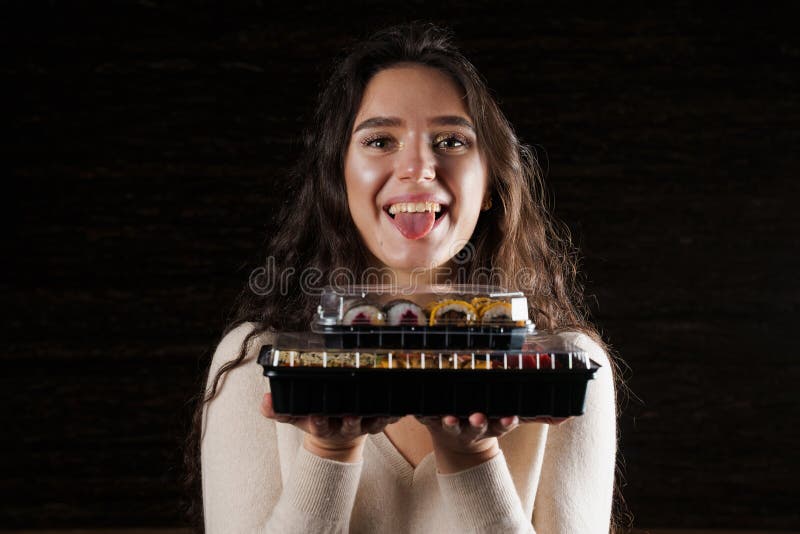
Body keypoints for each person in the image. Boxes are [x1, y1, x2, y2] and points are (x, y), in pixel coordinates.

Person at [187, 22, 619, 533]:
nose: (418, 165)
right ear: (337, 175)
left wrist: (474, 458)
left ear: (491, 180)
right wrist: (329, 451)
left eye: (452, 140)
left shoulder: (566, 369)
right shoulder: (253, 362)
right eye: (380, 140)